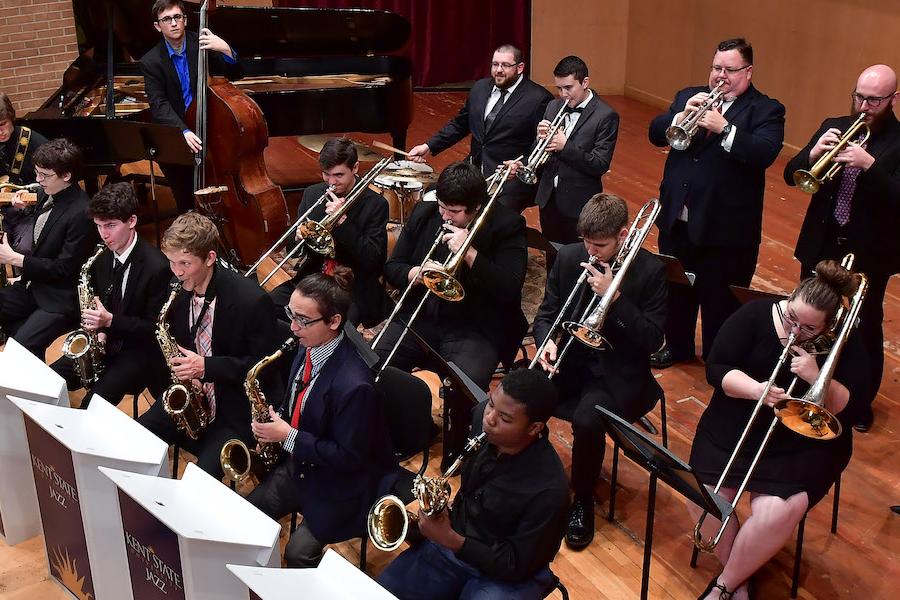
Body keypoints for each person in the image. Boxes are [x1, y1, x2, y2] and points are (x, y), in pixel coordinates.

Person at [687, 260, 869, 600]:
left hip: (804, 441)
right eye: (792, 319)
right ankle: (738, 580)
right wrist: (757, 390)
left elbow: (855, 405)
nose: (797, 331)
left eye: (809, 329)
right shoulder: (755, 315)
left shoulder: (846, 340)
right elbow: (716, 367)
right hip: (737, 420)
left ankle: (724, 586)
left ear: (829, 326)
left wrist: (818, 377)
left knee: (777, 511)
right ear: (790, 298)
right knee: (703, 495)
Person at [532, 193, 666, 549]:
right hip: (571, 360)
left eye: (600, 245)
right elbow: (547, 313)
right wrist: (546, 341)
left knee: (588, 421)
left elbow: (653, 340)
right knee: (524, 388)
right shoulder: (570, 256)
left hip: (618, 373)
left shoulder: (650, 271)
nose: (591, 251)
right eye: (587, 242)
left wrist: (615, 297)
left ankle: (582, 499)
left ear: (623, 234)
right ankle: (531, 472)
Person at [648, 38, 785, 367]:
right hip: (678, 216)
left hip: (725, 228)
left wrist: (725, 129)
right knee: (677, 289)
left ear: (748, 72)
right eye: (715, 68)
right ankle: (677, 346)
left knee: (719, 298)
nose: (719, 76)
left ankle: (718, 357)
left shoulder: (766, 109)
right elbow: (656, 134)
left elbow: (763, 152)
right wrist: (680, 115)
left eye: (729, 70)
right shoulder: (688, 95)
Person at [247, 268, 397, 567]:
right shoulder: (309, 346)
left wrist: (285, 436)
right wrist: (276, 418)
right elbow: (299, 401)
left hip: (340, 482)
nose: (292, 327)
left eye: (303, 320)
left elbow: (348, 458)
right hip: (303, 464)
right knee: (245, 515)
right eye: (291, 314)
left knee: (297, 553)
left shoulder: (355, 386)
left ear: (334, 321)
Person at [377, 368, 569, 600]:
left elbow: (516, 565)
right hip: (456, 541)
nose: (489, 418)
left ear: (534, 428)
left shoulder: (549, 491)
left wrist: (452, 540)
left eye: (505, 418)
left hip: (507, 575)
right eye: (491, 404)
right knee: (380, 593)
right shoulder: (483, 419)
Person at [784, 64, 900, 433]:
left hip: (869, 250)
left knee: (862, 327)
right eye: (859, 96)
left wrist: (871, 166)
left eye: (874, 100)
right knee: (809, 318)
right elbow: (794, 173)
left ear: (893, 99)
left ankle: (860, 402)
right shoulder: (832, 123)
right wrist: (812, 152)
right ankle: (805, 383)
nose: (864, 106)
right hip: (822, 242)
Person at [138, 212, 282, 479]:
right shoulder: (177, 288)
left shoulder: (252, 300)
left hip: (234, 407)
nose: (177, 271)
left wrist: (206, 368)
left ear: (210, 258)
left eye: (185, 263)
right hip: (194, 397)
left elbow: (263, 369)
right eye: (172, 262)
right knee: (135, 439)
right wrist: (190, 377)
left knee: (199, 481)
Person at [375, 161, 528, 391]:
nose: (445, 216)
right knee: (375, 364)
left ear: (476, 206)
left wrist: (470, 253)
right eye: (441, 206)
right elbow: (393, 266)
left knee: (465, 389)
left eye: (454, 211)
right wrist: (415, 273)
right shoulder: (425, 213)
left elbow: (509, 287)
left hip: (474, 326)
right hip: (422, 316)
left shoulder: (508, 225)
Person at [49, 183, 171, 408]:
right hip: (106, 340)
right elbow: (100, 299)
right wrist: (101, 331)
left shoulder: (158, 267)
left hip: (137, 351)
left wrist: (110, 321)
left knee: (90, 405)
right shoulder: (101, 255)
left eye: (111, 226)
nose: (104, 234)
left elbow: (153, 329)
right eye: (98, 226)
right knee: (48, 379)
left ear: (132, 221)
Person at [408, 44, 552, 213]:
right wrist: (429, 146)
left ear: (520, 68)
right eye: (495, 64)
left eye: (505, 65)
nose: (498, 70)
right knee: (438, 197)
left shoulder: (539, 99)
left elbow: (542, 147)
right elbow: (460, 124)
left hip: (510, 181)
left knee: (490, 222)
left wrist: (521, 166)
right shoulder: (480, 88)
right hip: (475, 170)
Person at [270, 138, 389, 328]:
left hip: (352, 285)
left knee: (333, 327)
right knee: (268, 306)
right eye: (326, 174)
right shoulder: (312, 193)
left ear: (355, 168)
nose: (331, 182)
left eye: (339, 175)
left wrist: (342, 223)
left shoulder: (376, 204)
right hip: (314, 276)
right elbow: (293, 250)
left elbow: (373, 261)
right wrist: (299, 237)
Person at [140, 0, 241, 213]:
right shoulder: (150, 61)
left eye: (178, 17)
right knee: (185, 197)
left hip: (211, 128)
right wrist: (183, 130)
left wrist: (226, 49)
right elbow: (159, 104)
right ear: (158, 26)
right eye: (167, 19)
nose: (174, 23)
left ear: (185, 20)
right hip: (175, 134)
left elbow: (236, 74)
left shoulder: (202, 44)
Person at [0, 138, 96, 359]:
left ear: (67, 176)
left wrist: (16, 260)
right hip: (34, 286)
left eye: (44, 175)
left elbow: (64, 269)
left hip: (60, 299)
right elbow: (47, 229)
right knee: (17, 334)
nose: (37, 180)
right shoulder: (47, 192)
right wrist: (25, 208)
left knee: (20, 348)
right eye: (37, 173)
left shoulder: (81, 213)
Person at [514, 56, 619, 245]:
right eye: (559, 88)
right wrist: (540, 139)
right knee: (552, 251)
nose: (563, 94)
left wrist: (565, 147)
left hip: (579, 202)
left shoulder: (606, 116)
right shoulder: (553, 106)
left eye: (568, 88)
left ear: (585, 82)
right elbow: (538, 153)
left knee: (576, 257)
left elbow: (599, 164)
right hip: (549, 197)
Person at [0, 92, 47, 255]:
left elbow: (57, 184)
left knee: (25, 249)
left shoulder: (35, 142)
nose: (0, 132)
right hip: (3, 213)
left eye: (2, 124)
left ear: (11, 116)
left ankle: (25, 279)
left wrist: (31, 198)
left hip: (30, 212)